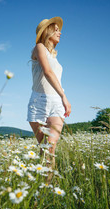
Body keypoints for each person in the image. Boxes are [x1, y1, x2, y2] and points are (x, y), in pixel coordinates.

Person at [27, 16, 71, 170]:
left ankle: (49, 189)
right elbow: (47, 72)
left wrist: (61, 98)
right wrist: (64, 96)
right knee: (44, 149)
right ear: (48, 32)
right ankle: (41, 187)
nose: (60, 33)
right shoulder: (39, 48)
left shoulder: (54, 57)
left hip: (56, 103)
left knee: (50, 149)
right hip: (39, 101)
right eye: (56, 30)